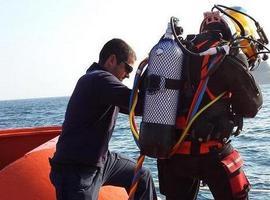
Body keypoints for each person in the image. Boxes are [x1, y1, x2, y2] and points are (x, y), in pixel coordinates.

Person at [157, 6, 267, 200]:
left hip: (174, 155)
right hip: (211, 154)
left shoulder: (177, 53)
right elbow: (251, 106)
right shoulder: (226, 54)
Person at [49, 38, 157, 200]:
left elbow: (135, 108)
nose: (128, 75)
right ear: (112, 60)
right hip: (76, 171)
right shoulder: (99, 80)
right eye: (127, 68)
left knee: (141, 176)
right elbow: (138, 105)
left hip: (101, 162)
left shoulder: (100, 83)